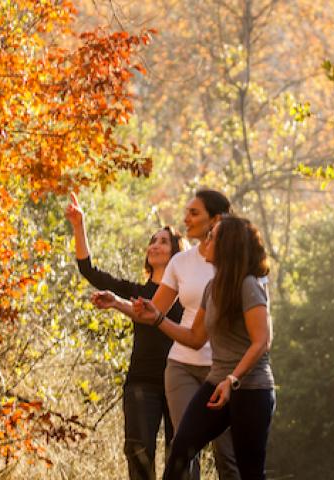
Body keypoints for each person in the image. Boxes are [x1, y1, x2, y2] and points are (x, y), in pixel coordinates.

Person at [93, 189, 240, 480]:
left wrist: (239, 370)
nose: (185, 218)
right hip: (182, 365)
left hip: (223, 368)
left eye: (194, 212)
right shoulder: (180, 264)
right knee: (181, 452)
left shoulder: (237, 262)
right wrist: (117, 303)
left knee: (229, 460)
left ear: (217, 219)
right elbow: (152, 313)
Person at [133, 215, 275, 480]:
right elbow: (195, 337)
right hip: (216, 384)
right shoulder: (213, 288)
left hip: (251, 389)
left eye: (212, 237)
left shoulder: (248, 285)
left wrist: (233, 379)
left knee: (248, 472)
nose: (205, 241)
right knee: (181, 451)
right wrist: (158, 318)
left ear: (226, 245)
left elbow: (262, 341)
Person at [64, 192, 184, 480]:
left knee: (181, 460)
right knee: (139, 456)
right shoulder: (137, 292)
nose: (155, 245)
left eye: (163, 241)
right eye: (153, 240)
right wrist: (79, 226)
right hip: (142, 383)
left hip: (182, 382)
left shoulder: (188, 293)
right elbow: (88, 269)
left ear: (178, 253)